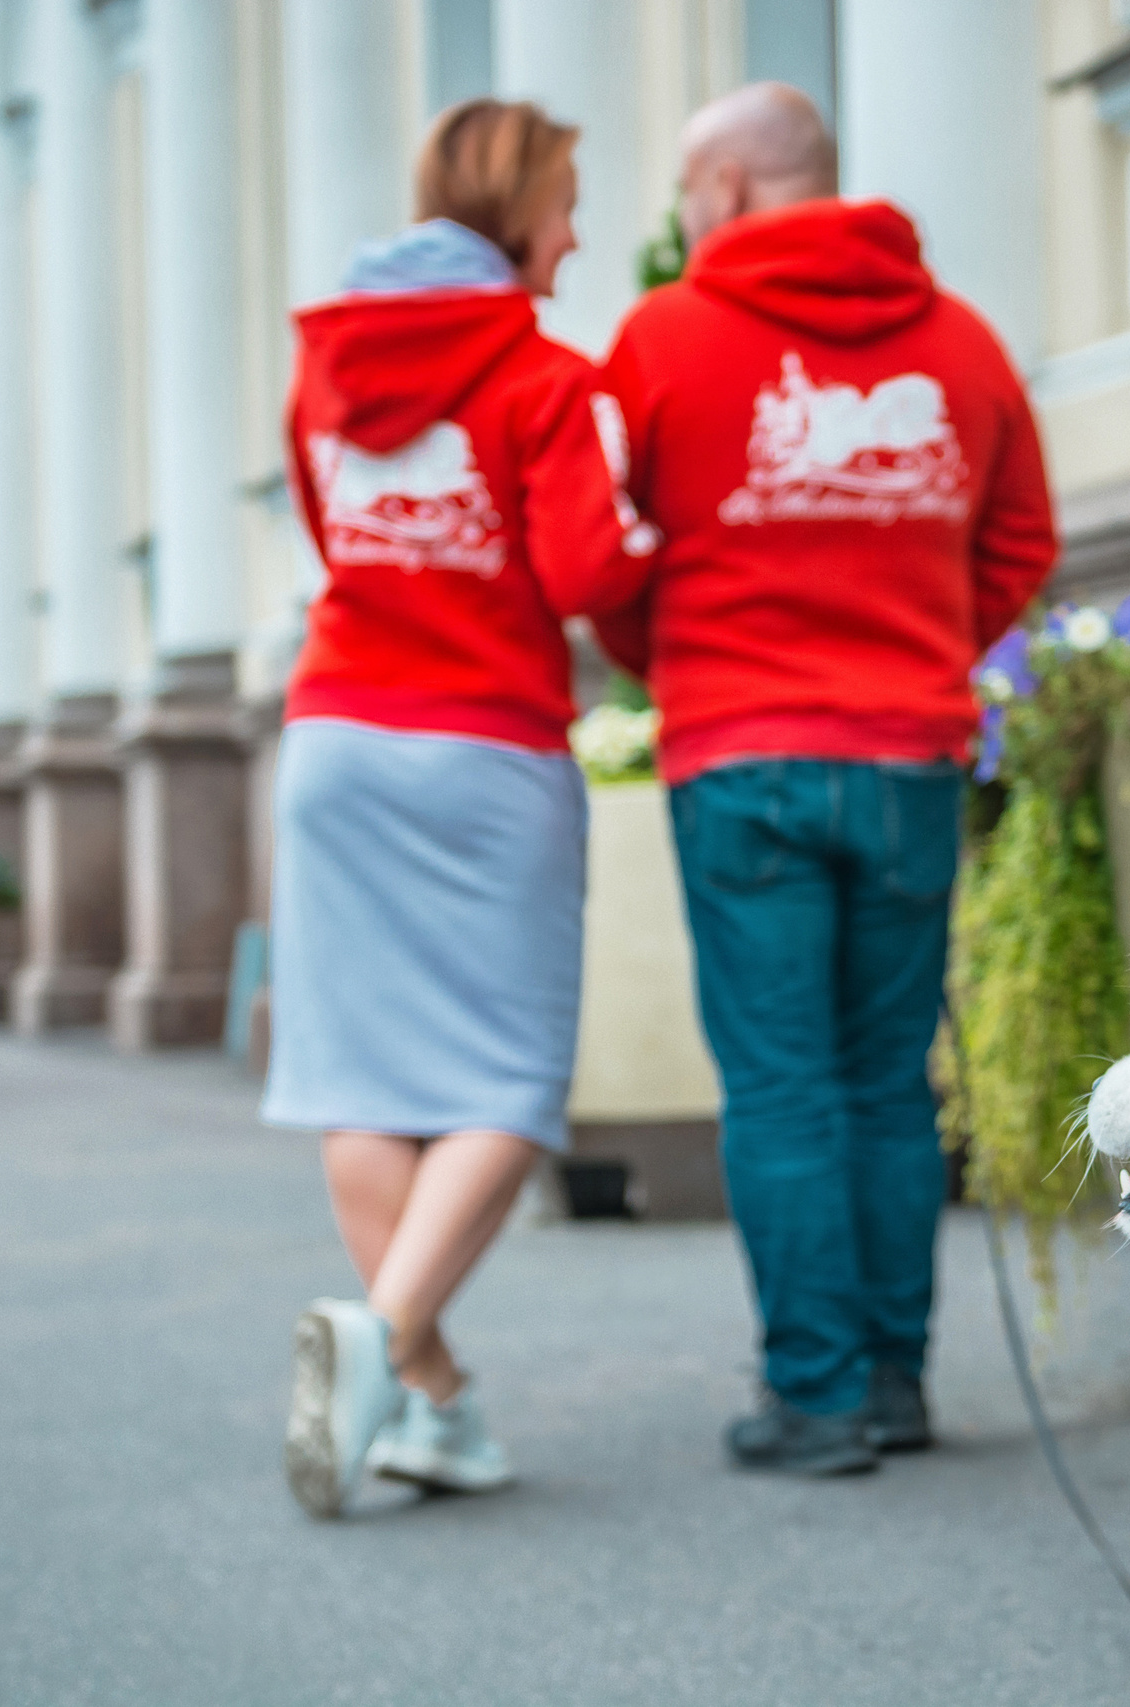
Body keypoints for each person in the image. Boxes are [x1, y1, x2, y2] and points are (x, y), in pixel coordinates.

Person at [598, 83, 1059, 1475]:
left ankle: (816, 1395)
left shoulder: (664, 337)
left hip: (739, 759)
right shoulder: (962, 338)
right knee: (881, 1079)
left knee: (783, 1083)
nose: (683, 217)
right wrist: (922, 649)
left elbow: (607, 556)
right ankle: (897, 1382)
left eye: (689, 190)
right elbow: (1022, 537)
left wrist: (670, 661)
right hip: (907, 757)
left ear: (730, 186)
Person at [266, 97, 654, 1519]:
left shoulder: (324, 364)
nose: (579, 230)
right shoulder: (546, 377)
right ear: (516, 208)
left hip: (336, 734)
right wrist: (638, 531)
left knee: (361, 1075)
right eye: (566, 199)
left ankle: (433, 1400)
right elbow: (576, 575)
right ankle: (381, 1340)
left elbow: (327, 529)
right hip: (484, 742)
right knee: (505, 1074)